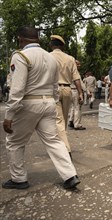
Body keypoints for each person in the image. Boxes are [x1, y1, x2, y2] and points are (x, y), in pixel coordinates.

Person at [2, 26, 80, 190]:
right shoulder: (50, 58)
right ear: (37, 39)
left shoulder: (21, 55)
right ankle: (70, 175)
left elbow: (17, 89)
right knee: (53, 140)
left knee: (14, 142)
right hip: (49, 103)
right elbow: (54, 86)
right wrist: (53, 102)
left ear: (20, 39)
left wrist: (9, 115)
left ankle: (19, 179)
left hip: (29, 103)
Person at [50, 35, 83, 158]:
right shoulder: (70, 58)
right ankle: (62, 144)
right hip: (68, 89)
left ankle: (65, 149)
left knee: (58, 121)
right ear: (62, 46)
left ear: (51, 45)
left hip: (54, 90)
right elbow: (77, 78)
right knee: (62, 120)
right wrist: (80, 93)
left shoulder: (48, 56)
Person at [68, 60, 86, 130]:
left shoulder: (68, 71)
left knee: (73, 107)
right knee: (77, 108)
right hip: (75, 90)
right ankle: (77, 124)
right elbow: (80, 83)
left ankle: (71, 121)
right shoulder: (75, 72)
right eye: (78, 64)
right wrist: (86, 92)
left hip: (69, 90)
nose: (79, 65)